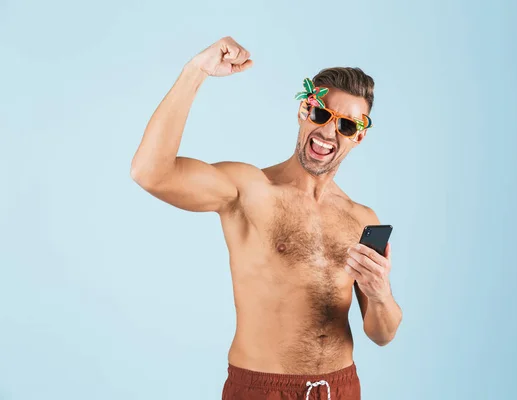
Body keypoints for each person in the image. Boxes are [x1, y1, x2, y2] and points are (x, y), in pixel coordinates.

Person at [130, 36, 403, 400]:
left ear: (359, 137)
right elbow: (150, 172)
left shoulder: (361, 219)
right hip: (262, 390)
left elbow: (382, 334)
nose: (328, 132)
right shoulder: (250, 190)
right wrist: (195, 72)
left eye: (347, 126)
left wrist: (381, 296)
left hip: (340, 389)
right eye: (321, 114)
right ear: (303, 112)